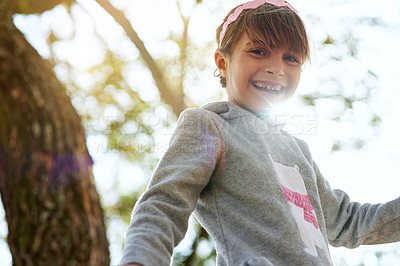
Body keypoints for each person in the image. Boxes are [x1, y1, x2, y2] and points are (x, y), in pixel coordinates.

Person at [120, 0, 400, 265]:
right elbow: (165, 202)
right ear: (222, 62)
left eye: (291, 57)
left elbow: (346, 221)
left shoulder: (298, 149)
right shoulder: (209, 125)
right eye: (258, 51)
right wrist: (141, 258)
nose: (276, 68)